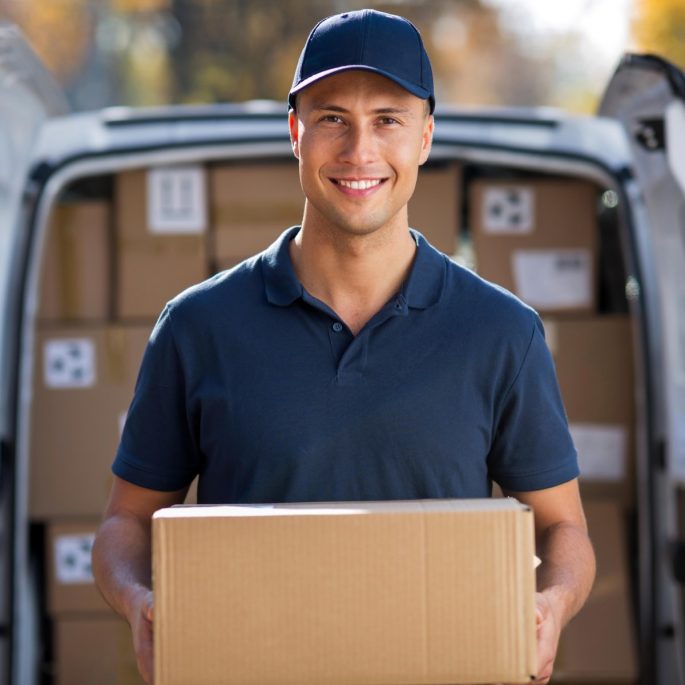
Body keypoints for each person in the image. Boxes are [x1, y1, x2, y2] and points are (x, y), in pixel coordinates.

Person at [92, 9, 595, 685]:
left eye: (387, 118)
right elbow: (125, 521)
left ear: (424, 136)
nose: (359, 150)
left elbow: (564, 529)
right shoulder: (197, 327)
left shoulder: (500, 332)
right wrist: (140, 602)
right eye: (332, 118)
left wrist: (550, 604)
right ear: (295, 133)